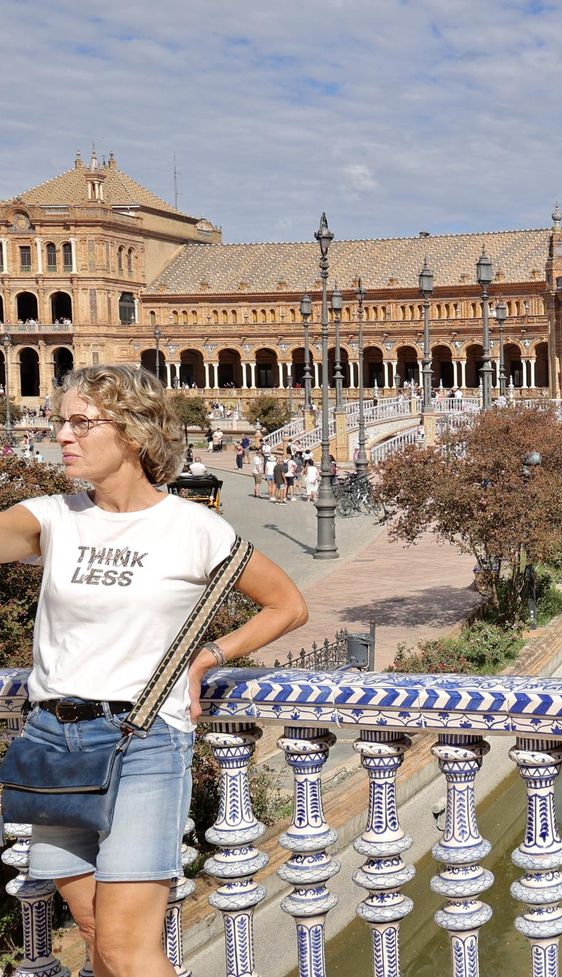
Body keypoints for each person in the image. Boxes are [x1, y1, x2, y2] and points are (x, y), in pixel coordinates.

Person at [0, 365, 307, 977]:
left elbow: (289, 605)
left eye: (82, 423)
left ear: (135, 434)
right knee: (92, 931)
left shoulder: (194, 528)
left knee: (122, 947)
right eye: (62, 421)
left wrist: (208, 655)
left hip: (143, 741)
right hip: (52, 742)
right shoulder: (51, 516)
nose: (62, 435)